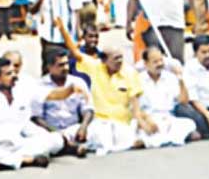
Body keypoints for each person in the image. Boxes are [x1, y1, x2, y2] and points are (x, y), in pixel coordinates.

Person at [55, 18, 147, 154]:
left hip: (122, 123)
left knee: (130, 137)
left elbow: (135, 103)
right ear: (104, 60)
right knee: (93, 135)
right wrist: (62, 29)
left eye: (121, 57)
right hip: (100, 122)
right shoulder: (95, 67)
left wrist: (141, 121)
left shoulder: (129, 72)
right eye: (116, 58)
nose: (120, 61)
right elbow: (75, 52)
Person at [0, 58, 69, 170]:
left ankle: (6, 162)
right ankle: (25, 160)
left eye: (14, 72)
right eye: (9, 74)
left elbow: (49, 96)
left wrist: (71, 90)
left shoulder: (20, 90)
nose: (14, 76)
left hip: (18, 145)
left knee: (55, 139)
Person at [30, 48, 101, 157]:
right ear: (49, 67)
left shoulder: (78, 82)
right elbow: (36, 117)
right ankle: (70, 147)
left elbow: (88, 109)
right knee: (43, 138)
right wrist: (56, 133)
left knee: (98, 128)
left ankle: (66, 146)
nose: (66, 68)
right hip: (51, 131)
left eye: (67, 64)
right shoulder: (39, 86)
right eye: (61, 65)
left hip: (74, 130)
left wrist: (83, 127)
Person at [137, 47, 198, 147]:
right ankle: (168, 139)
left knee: (189, 123)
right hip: (149, 119)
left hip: (169, 118)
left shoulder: (170, 77)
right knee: (138, 128)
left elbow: (183, 101)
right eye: (155, 62)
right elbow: (135, 108)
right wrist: (147, 120)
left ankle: (152, 142)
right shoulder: (139, 80)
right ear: (146, 64)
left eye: (161, 60)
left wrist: (180, 79)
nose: (160, 64)